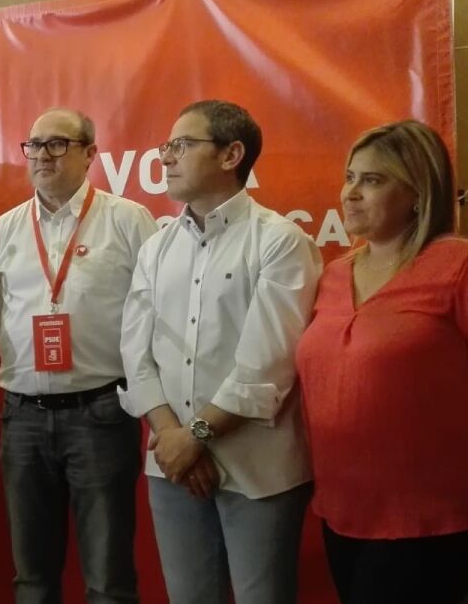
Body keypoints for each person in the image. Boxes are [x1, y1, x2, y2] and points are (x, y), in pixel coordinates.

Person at [295, 120, 468, 604]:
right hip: (344, 511)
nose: (351, 193)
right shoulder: (334, 276)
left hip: (432, 519)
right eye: (350, 177)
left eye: (372, 180)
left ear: (419, 193)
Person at [119, 100, 321, 604]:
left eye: (182, 145)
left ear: (231, 155)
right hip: (171, 465)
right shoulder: (156, 247)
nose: (166, 158)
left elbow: (267, 364)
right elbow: (135, 353)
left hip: (258, 469)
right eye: (166, 147)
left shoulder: (280, 241)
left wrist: (196, 437)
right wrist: (175, 440)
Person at [0, 107, 156, 604]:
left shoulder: (128, 220)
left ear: (89, 154)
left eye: (57, 144)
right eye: (34, 145)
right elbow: (0, 317)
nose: (43, 155)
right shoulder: (5, 229)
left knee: (107, 576)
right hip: (22, 416)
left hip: (100, 414)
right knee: (32, 577)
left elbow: (153, 313)